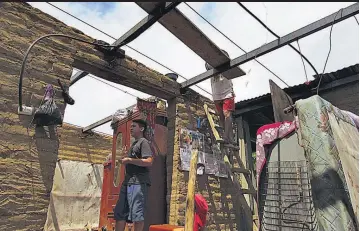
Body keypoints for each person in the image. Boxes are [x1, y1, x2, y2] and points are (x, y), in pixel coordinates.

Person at [113, 119, 153, 231]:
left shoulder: (143, 142)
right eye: (130, 126)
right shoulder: (134, 144)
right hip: (128, 182)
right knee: (120, 212)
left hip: (138, 182)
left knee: (137, 215)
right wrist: (126, 159)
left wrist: (129, 160)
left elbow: (149, 161)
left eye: (133, 126)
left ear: (141, 128)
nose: (131, 128)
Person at [205, 50, 236, 145]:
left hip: (227, 93)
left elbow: (226, 58)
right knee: (221, 116)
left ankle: (226, 137)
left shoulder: (227, 64)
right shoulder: (210, 66)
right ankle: (228, 137)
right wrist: (212, 59)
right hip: (217, 94)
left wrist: (221, 59)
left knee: (227, 114)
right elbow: (207, 65)